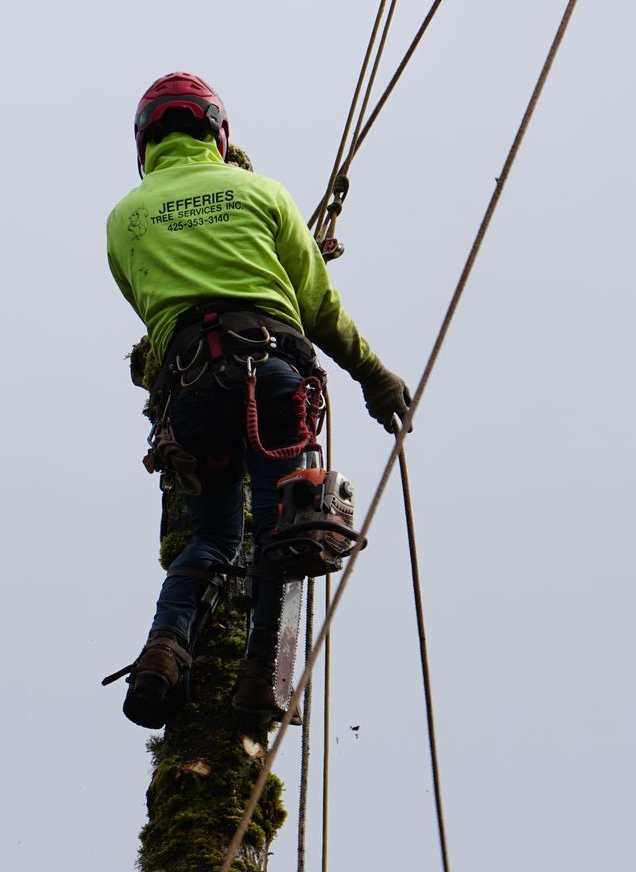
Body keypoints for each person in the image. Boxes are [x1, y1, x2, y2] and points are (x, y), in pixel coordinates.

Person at [107, 72, 411, 730]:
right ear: (219, 135)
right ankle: (259, 683)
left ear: (145, 144)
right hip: (271, 375)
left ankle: (165, 647)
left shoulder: (124, 220)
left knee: (213, 535)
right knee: (282, 527)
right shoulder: (261, 192)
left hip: (191, 395)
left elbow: (153, 314)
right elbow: (318, 306)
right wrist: (372, 374)